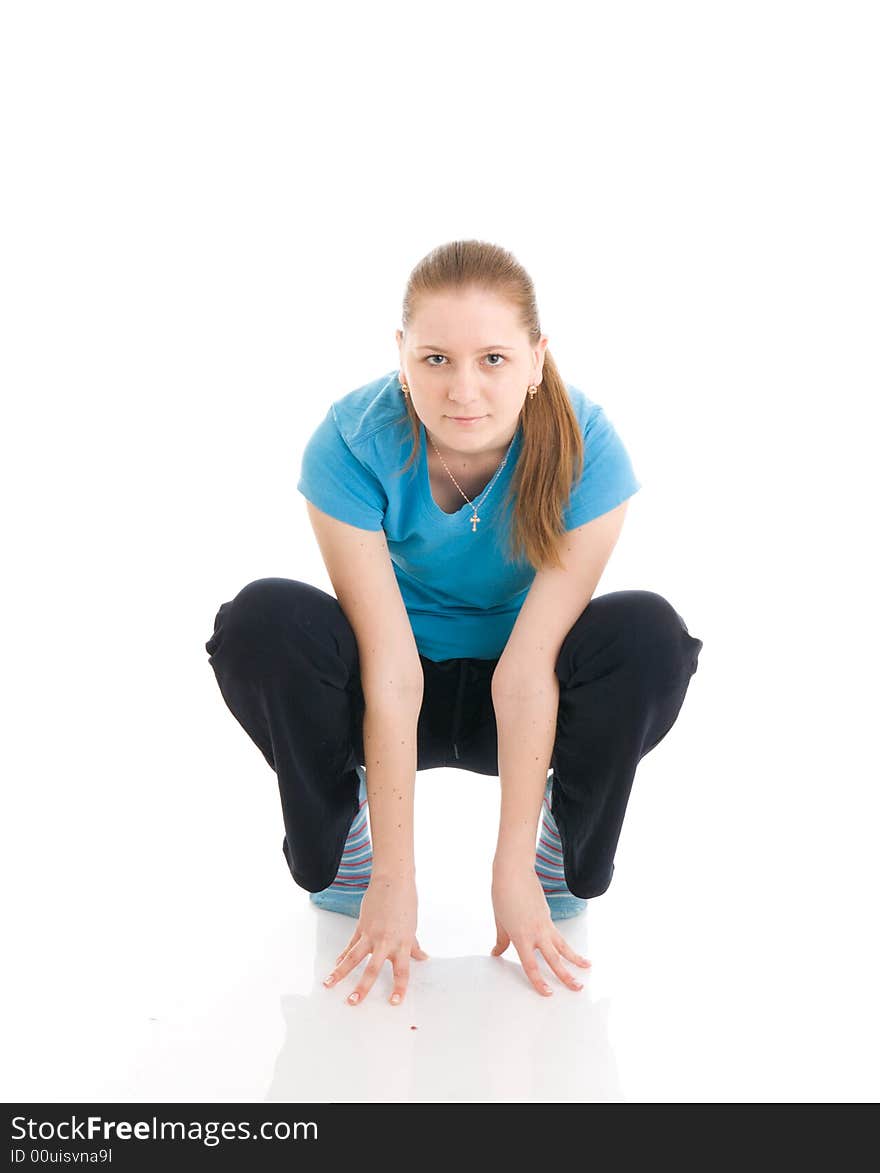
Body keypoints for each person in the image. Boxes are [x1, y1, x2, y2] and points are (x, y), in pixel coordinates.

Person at [205, 239, 703, 1008]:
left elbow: (527, 671)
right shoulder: (350, 441)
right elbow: (392, 669)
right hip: (397, 683)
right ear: (401, 357)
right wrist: (398, 882)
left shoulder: (589, 447)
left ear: (537, 359)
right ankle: (343, 848)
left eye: (494, 359)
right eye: (436, 358)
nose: (463, 389)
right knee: (261, 621)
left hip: (527, 694)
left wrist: (507, 870)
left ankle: (559, 853)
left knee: (650, 636)